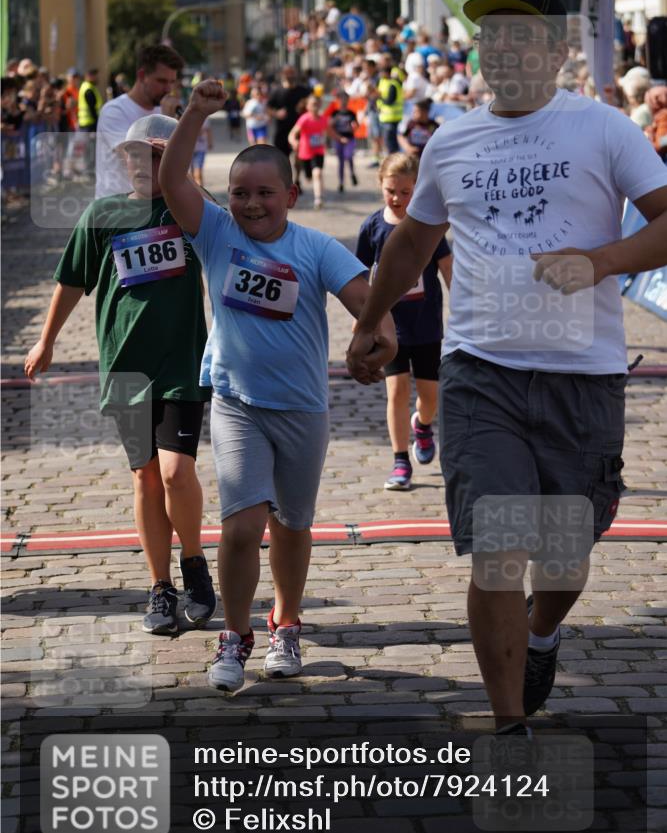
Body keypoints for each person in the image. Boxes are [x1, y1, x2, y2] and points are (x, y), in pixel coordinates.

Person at [347, 0, 667, 736]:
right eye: (492, 35)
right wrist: (371, 317)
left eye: (521, 34)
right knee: (497, 547)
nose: (503, 47)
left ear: (555, 50)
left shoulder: (602, 129)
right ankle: (508, 724)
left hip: (580, 375)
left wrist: (599, 259)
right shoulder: (451, 139)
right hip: (478, 372)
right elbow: (413, 242)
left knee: (563, 558)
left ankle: (541, 631)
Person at [157, 79, 396, 692]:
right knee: (241, 526)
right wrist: (198, 112)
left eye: (265, 193)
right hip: (238, 404)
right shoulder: (214, 232)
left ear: (291, 194)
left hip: (303, 409)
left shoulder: (316, 247)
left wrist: (377, 339)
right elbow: (172, 180)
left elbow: (368, 302)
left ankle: (285, 623)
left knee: (292, 526)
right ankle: (233, 637)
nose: (252, 204)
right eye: (240, 193)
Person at [24, 114, 216, 636]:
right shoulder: (102, 214)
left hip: (181, 363)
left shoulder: (193, 211)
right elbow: (70, 281)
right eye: (133, 155)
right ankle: (160, 586)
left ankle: (194, 563)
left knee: (177, 472)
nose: (140, 164)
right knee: (145, 478)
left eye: (154, 155)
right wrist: (47, 340)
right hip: (125, 368)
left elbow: (231, 246)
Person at [356, 153, 451, 491]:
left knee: (430, 395)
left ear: (417, 190)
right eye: (390, 191)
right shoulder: (372, 228)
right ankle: (400, 460)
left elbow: (448, 269)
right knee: (395, 391)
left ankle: (422, 426)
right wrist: (364, 321)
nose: (396, 199)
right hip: (389, 328)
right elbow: (359, 277)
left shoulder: (427, 227)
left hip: (426, 326)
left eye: (405, 192)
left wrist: (462, 310)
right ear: (381, 185)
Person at [95, 43, 184, 199]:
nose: (168, 89)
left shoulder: (160, 109)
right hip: (116, 207)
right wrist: (168, 122)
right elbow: (135, 157)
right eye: (162, 81)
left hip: (149, 206)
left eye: (172, 82)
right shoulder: (115, 111)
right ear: (142, 76)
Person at [288, 94, 329, 209]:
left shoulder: (323, 119)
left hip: (318, 151)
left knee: (318, 173)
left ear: (320, 105)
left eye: (317, 104)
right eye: (313, 104)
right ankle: (305, 181)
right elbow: (292, 134)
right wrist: (294, 142)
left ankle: (318, 199)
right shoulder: (304, 119)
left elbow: (330, 131)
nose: (315, 107)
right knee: (309, 177)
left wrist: (340, 138)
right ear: (307, 107)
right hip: (305, 153)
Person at [266, 65, 309, 158]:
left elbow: (313, 104)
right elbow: (267, 108)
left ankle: (297, 173)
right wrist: (276, 113)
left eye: (292, 72)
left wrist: (304, 105)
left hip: (299, 130)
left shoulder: (304, 91)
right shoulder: (276, 91)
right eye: (287, 73)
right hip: (282, 131)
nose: (290, 75)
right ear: (282, 74)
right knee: (282, 160)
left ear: (296, 74)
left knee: (299, 158)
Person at [328, 90, 359, 193]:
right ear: (338, 100)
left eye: (346, 99)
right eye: (341, 99)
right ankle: (341, 182)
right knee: (341, 161)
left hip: (349, 139)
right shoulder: (335, 113)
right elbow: (330, 126)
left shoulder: (351, 113)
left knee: (348, 156)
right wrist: (338, 137)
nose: (344, 101)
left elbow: (356, 125)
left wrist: (353, 127)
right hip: (338, 139)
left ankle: (352, 173)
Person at [377, 56, 404, 155]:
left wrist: (379, 97)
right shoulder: (384, 82)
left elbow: (389, 101)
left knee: (392, 144)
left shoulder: (393, 84)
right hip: (385, 118)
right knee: (389, 143)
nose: (380, 75)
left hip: (392, 118)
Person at [190, 116, 212, 188]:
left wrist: (210, 142)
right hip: (189, 149)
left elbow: (208, 130)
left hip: (201, 148)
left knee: (198, 172)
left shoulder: (205, 117)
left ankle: (201, 193)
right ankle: (193, 191)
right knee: (191, 173)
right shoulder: (188, 116)